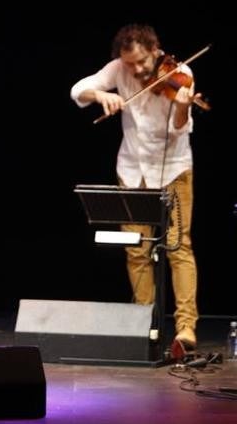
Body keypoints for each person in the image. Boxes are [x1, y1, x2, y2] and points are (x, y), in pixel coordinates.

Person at [70, 24, 202, 349]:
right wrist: (101, 94)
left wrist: (183, 105)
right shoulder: (118, 69)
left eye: (143, 61)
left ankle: (186, 328)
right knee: (136, 249)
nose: (138, 69)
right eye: (131, 63)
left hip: (173, 170)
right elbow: (78, 90)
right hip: (131, 171)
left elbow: (179, 129)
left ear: (155, 50)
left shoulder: (180, 73)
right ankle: (143, 324)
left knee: (177, 246)